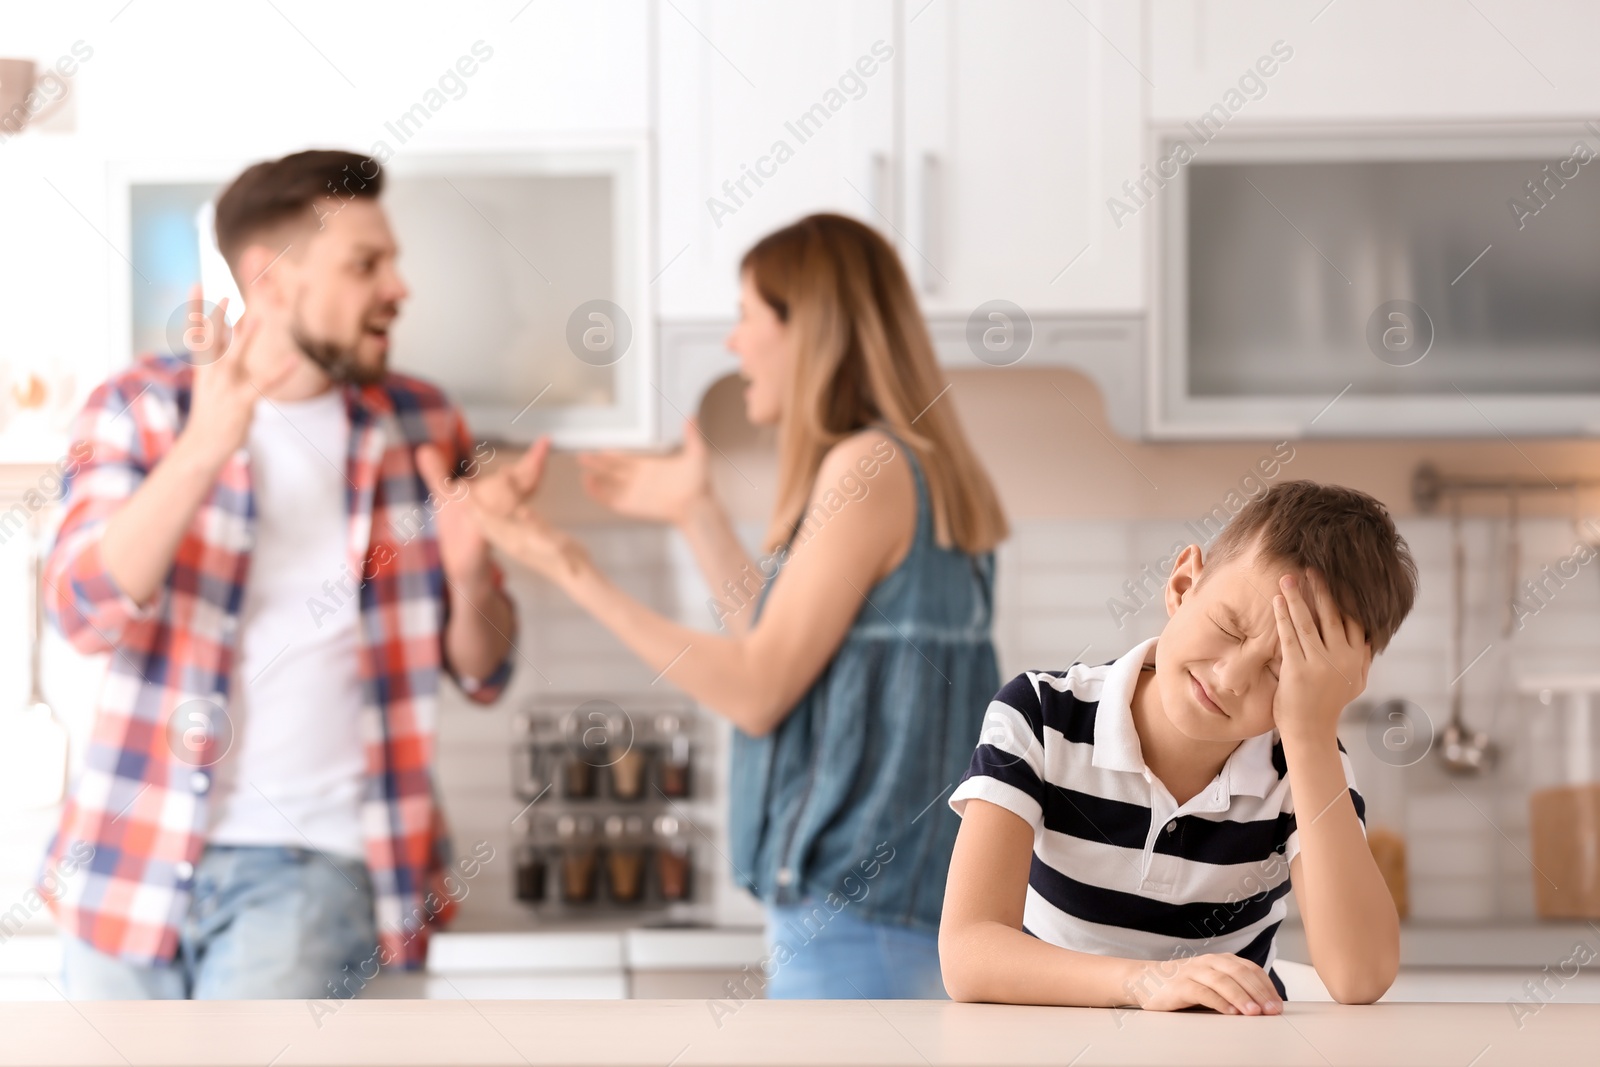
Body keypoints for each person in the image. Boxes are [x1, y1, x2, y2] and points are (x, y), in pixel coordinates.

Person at [439, 213, 1008, 998]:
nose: (734, 342)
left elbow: (756, 691)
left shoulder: (868, 465)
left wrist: (570, 566)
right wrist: (696, 513)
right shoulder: (910, 464)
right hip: (881, 912)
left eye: (747, 316)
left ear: (805, 329)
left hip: (855, 917)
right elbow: (784, 656)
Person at [42, 149, 527, 999]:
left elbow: (485, 672)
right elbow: (82, 612)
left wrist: (473, 574)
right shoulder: (141, 408)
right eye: (365, 264)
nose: (398, 289)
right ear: (269, 281)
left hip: (316, 861)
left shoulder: (421, 422)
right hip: (127, 860)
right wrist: (202, 451)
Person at [939, 481, 1416, 1011]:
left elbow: (1361, 977)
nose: (1232, 677)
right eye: (1229, 626)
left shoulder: (1303, 764)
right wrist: (1148, 983)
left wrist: (1309, 733)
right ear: (1184, 585)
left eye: (1281, 671)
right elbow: (968, 952)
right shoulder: (1039, 714)